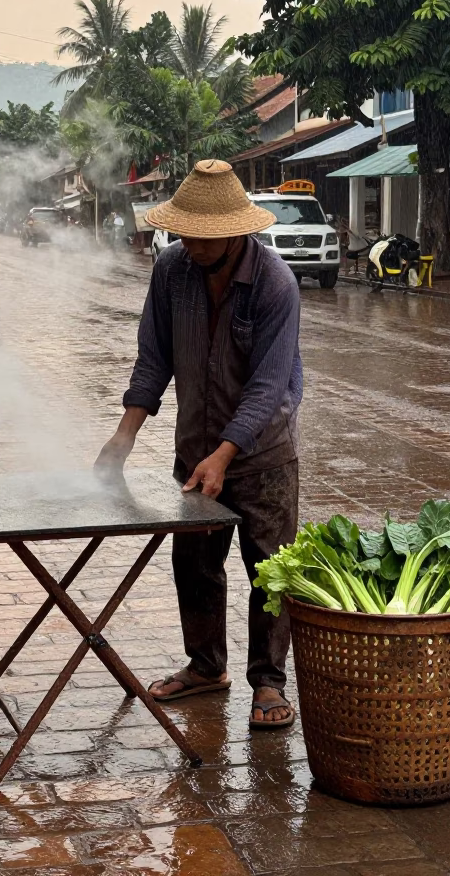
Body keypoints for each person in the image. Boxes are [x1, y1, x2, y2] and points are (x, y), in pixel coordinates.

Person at [96, 159, 302, 731]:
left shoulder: (275, 284)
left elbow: (268, 387)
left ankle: (268, 681)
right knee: (194, 562)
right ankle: (207, 666)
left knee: (271, 571)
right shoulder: (171, 271)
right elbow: (153, 358)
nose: (193, 243)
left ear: (239, 231)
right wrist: (124, 435)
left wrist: (226, 453)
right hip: (195, 448)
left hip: (263, 455)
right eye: (185, 232)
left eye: (206, 236)